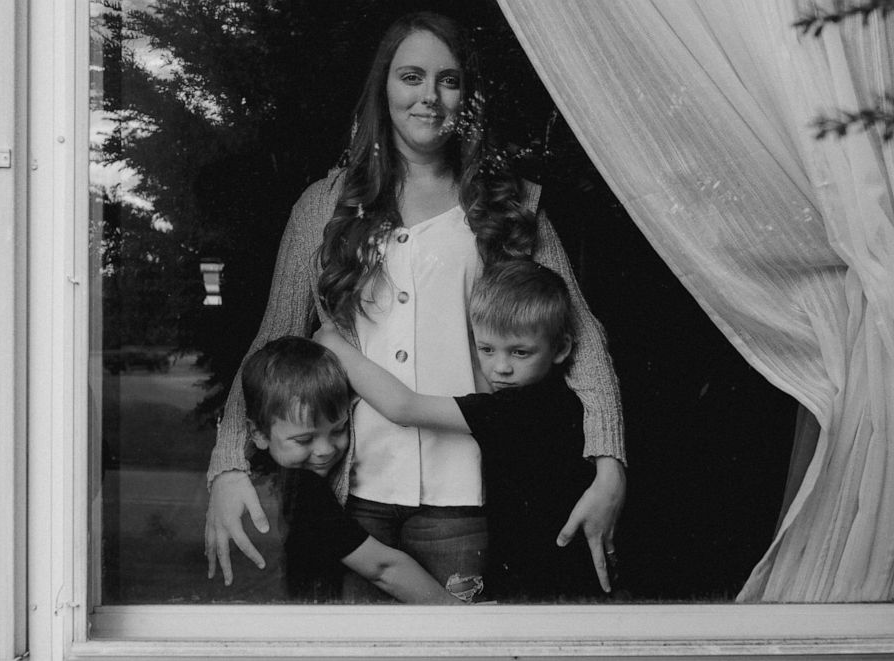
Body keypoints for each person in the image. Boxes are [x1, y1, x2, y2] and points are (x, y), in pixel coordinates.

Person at [205, 11, 626, 598]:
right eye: (411, 76)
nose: (429, 95)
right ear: (384, 88)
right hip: (355, 493)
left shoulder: (515, 206)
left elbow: (583, 340)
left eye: (448, 80)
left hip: (465, 500)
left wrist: (610, 467)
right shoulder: (323, 206)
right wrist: (228, 465)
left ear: (467, 97)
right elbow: (272, 340)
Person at [316, 259, 603, 600]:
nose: (501, 367)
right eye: (486, 349)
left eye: (520, 352)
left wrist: (332, 344)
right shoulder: (538, 397)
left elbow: (402, 406)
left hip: (544, 573)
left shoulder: (522, 408)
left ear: (563, 349)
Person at [240, 336, 462, 604]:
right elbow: (383, 569)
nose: (325, 449)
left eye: (339, 430)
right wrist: (453, 612)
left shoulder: (269, 476)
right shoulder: (304, 489)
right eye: (304, 439)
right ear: (258, 433)